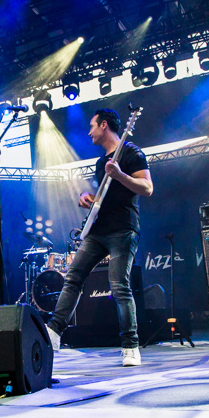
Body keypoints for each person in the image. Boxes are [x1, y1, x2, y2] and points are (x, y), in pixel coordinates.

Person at [45, 108, 152, 366]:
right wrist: (87, 198)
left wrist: (120, 175)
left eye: (92, 126)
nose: (89, 132)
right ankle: (53, 333)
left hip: (123, 229)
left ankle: (130, 346)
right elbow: (105, 198)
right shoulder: (99, 163)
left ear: (104, 125)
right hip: (98, 231)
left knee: (119, 286)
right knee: (73, 277)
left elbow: (147, 188)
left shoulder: (132, 153)